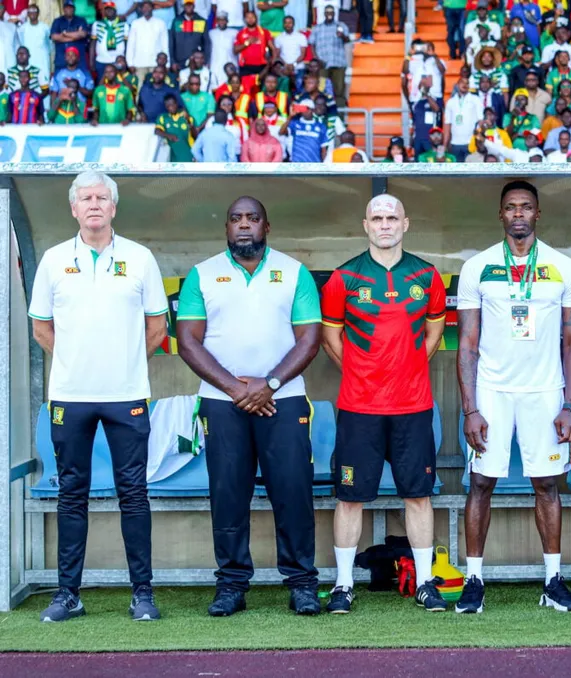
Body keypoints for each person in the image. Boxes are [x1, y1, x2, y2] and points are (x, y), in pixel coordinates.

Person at [29, 171, 167, 623]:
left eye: (101, 198)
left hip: (127, 395)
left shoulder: (140, 258)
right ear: (73, 208)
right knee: (72, 494)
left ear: (113, 207)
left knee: (134, 494)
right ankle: (68, 594)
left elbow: (156, 327)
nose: (93, 204)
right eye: (85, 198)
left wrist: (123, 363)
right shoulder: (53, 260)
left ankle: (142, 594)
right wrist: (77, 360)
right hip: (70, 397)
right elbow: (41, 328)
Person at [176, 196, 322, 617]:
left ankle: (302, 583)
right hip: (222, 403)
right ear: (226, 227)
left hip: (284, 399)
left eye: (253, 218)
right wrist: (236, 389)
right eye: (236, 219)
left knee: (293, 491)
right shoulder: (203, 274)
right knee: (228, 494)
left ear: (266, 226)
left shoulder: (294, 272)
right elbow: (187, 341)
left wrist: (269, 385)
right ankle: (231, 585)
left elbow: (310, 339)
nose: (244, 225)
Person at [456, 181, 571, 614]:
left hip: (545, 391)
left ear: (537, 213)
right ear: (500, 214)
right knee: (481, 482)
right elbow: (467, 344)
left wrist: (570, 405)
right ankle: (474, 579)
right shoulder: (477, 267)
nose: (518, 214)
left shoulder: (564, 268)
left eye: (526, 207)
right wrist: (471, 408)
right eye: (510, 207)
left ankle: (553, 580)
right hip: (492, 391)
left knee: (547, 484)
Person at [319, 194, 449, 614]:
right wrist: (364, 372)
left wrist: (405, 369)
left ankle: (426, 582)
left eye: (392, 218)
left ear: (405, 224)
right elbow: (330, 338)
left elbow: (433, 334)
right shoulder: (344, 278)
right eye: (377, 218)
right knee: (349, 497)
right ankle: (343, 585)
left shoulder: (426, 276)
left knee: (419, 495)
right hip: (360, 407)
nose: (385, 225)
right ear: (366, 225)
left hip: (413, 405)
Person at [309, 5, 349, 111]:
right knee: (322, 90)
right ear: (324, 14)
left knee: (339, 91)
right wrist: (316, 59)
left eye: (331, 12)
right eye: (327, 12)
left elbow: (347, 40)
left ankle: (339, 116)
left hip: (339, 63)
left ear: (334, 14)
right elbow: (311, 44)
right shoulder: (317, 28)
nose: (329, 14)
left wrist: (342, 36)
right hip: (323, 65)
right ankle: (323, 114)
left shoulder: (341, 25)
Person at [126, 1, 169, 85]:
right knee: (140, 88)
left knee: (156, 87)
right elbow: (131, 45)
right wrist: (130, 63)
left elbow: (165, 44)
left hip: (156, 64)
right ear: (141, 9)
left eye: (148, 7)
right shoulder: (135, 23)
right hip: (139, 63)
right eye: (144, 7)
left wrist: (167, 64)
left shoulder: (161, 23)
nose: (146, 9)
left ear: (152, 8)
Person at [50, 0, 89, 73]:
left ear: (74, 9)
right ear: (63, 9)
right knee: (60, 79)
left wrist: (65, 34)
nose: (69, 9)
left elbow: (83, 34)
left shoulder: (81, 20)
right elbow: (54, 37)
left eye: (71, 7)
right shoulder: (57, 21)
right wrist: (75, 36)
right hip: (61, 59)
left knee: (82, 79)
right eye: (67, 7)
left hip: (79, 60)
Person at [91, 2, 128, 75]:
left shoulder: (124, 25)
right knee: (101, 81)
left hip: (118, 60)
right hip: (101, 60)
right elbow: (92, 44)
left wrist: (126, 60)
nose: (109, 11)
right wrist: (91, 62)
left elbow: (127, 45)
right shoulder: (97, 24)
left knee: (118, 81)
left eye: (111, 9)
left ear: (115, 11)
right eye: (107, 9)